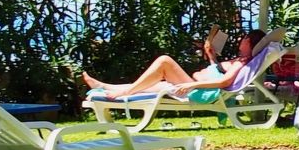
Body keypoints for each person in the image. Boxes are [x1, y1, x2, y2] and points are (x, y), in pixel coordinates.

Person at [84, 24, 249, 96]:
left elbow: (224, 82)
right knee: (148, 86)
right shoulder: (239, 59)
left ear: (250, 43)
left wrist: (190, 84)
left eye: (245, 39)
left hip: (196, 91)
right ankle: (104, 86)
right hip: (194, 86)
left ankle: (125, 92)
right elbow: (218, 73)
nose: (242, 39)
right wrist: (211, 56)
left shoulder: (241, 62)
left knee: (164, 61)